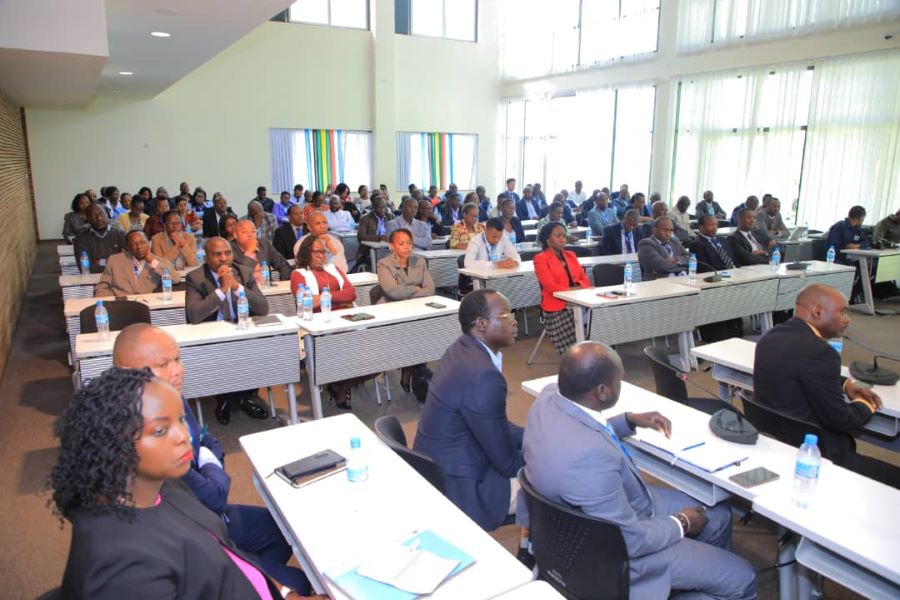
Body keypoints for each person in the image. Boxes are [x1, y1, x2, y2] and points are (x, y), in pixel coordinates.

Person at [50, 368, 320, 598]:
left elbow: (227, 550)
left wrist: (284, 593)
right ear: (115, 446)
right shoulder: (122, 566)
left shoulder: (164, 484)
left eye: (180, 419)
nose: (182, 435)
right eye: (160, 430)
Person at [523, 342, 758, 599]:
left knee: (719, 515)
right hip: (624, 550)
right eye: (619, 380)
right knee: (742, 578)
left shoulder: (547, 399)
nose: (621, 384)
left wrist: (627, 421)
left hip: (609, 514)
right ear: (602, 391)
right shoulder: (590, 459)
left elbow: (582, 428)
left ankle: (695, 575)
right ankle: (677, 578)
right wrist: (682, 523)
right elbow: (630, 541)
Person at [109, 325, 314, 595]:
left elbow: (207, 439)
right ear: (127, 372)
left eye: (177, 359)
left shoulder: (167, 397)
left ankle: (254, 576)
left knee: (285, 530)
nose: (177, 370)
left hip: (208, 521)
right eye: (162, 364)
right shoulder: (141, 442)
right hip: (196, 535)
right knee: (299, 581)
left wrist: (205, 460)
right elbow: (213, 496)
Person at [754, 284, 900, 488]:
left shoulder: (770, 337)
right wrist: (866, 404)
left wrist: (845, 383)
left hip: (776, 443)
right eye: (843, 312)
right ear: (817, 311)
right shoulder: (821, 352)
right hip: (819, 457)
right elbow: (841, 419)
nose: (847, 319)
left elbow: (800, 369)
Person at [413, 289, 524, 531]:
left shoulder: (461, 349)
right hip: (463, 488)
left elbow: (492, 421)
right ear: (481, 324)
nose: (514, 320)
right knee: (556, 482)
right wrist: (544, 454)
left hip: (441, 465)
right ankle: (533, 555)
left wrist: (533, 436)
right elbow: (508, 464)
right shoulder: (483, 375)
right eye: (506, 315)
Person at [184, 237, 269, 424]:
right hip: (211, 336)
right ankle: (223, 399)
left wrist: (237, 287)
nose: (223, 258)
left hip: (242, 331)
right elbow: (194, 315)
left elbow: (263, 308)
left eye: (227, 253)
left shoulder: (244, 273)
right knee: (221, 356)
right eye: (217, 254)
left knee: (258, 350)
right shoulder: (196, 278)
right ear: (206, 257)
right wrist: (222, 289)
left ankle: (247, 397)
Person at [292, 235, 360, 409]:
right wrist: (339, 298)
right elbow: (305, 304)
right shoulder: (299, 274)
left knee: (377, 357)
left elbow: (351, 294)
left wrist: (322, 298)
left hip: (346, 318)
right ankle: (339, 387)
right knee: (344, 350)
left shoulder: (334, 268)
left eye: (323, 252)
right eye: (316, 252)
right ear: (307, 253)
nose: (321, 256)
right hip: (319, 325)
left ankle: (340, 386)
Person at [375, 228, 436, 392]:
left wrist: (407, 290)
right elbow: (391, 291)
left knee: (424, 334)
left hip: (415, 309)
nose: (406, 247)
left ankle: (412, 370)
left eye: (409, 243)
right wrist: (415, 289)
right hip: (391, 310)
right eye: (401, 244)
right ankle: (410, 369)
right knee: (410, 336)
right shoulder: (384, 264)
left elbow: (430, 289)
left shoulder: (420, 262)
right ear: (392, 246)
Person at [533, 223, 591, 354]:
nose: (562, 239)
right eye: (558, 236)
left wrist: (578, 289)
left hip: (579, 300)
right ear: (547, 239)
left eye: (564, 236)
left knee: (600, 313)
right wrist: (572, 291)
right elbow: (550, 287)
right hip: (557, 307)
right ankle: (580, 354)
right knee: (578, 315)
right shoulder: (540, 259)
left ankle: (593, 349)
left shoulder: (571, 255)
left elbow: (584, 279)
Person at [95, 231, 181, 297]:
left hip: (147, 304)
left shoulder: (160, 262)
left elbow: (176, 279)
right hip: (121, 304)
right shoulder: (114, 260)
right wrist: (111, 302)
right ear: (128, 247)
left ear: (149, 243)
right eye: (134, 244)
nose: (139, 247)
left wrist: (151, 261)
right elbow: (102, 286)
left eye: (142, 242)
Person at [232, 219, 292, 284]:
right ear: (235, 235)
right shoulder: (230, 251)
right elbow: (238, 278)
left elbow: (284, 266)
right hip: (246, 292)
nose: (250, 235)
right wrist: (249, 251)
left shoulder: (264, 245)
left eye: (253, 231)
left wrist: (282, 285)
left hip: (267, 288)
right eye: (244, 232)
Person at [74, 203, 127, 274]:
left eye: (101, 214)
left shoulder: (120, 234)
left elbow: (129, 262)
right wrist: (116, 262)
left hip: (120, 277)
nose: (99, 218)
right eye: (93, 216)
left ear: (106, 214)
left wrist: (101, 262)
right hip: (93, 281)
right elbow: (85, 267)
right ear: (87, 218)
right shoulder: (81, 239)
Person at [355, 197, 390, 268]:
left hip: (388, 249)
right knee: (383, 262)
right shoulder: (365, 219)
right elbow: (361, 236)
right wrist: (380, 237)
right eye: (380, 207)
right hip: (368, 251)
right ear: (374, 208)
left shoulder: (390, 217)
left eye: (384, 207)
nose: (383, 210)